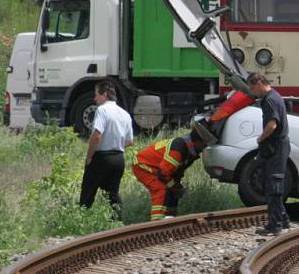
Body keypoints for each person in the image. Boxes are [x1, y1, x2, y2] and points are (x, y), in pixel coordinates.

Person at [132, 118, 217, 220]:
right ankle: (157, 224)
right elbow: (163, 174)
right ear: (198, 141)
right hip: (143, 164)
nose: (205, 147)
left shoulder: (190, 152)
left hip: (157, 167)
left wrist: (176, 186)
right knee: (160, 189)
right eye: (204, 144)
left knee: (173, 190)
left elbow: (175, 173)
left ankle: (171, 220)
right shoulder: (179, 148)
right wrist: (175, 187)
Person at [80, 81, 134, 217]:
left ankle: (81, 218)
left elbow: (96, 136)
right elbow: (130, 141)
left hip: (102, 157)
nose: (95, 98)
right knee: (112, 193)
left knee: (88, 190)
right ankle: (118, 221)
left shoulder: (102, 110)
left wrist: (89, 156)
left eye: (96, 95)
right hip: (118, 159)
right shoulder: (125, 114)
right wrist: (116, 145)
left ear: (104, 94)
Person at [248, 73, 291, 236]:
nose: (253, 92)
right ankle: (283, 220)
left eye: (253, 88)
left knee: (273, 186)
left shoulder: (270, 100)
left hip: (276, 145)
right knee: (272, 183)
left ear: (259, 83)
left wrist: (260, 138)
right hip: (278, 145)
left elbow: (272, 125)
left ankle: (276, 225)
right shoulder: (275, 96)